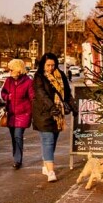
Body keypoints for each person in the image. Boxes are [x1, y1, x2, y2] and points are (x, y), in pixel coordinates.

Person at [31, 52, 73, 183]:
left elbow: (67, 93)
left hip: (58, 114)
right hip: (43, 113)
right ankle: (51, 171)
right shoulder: (39, 77)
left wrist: (73, 106)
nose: (50, 68)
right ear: (43, 65)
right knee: (48, 140)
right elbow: (41, 94)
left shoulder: (61, 76)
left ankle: (46, 164)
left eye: (53, 65)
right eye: (48, 65)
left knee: (53, 141)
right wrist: (52, 107)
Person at [0, 59, 34, 169]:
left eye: (11, 70)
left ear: (18, 70)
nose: (10, 72)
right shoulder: (8, 81)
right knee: (13, 137)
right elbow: (3, 92)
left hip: (23, 114)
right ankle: (16, 156)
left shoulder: (28, 82)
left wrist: (31, 113)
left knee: (18, 135)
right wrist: (6, 97)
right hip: (11, 114)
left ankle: (18, 160)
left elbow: (32, 97)